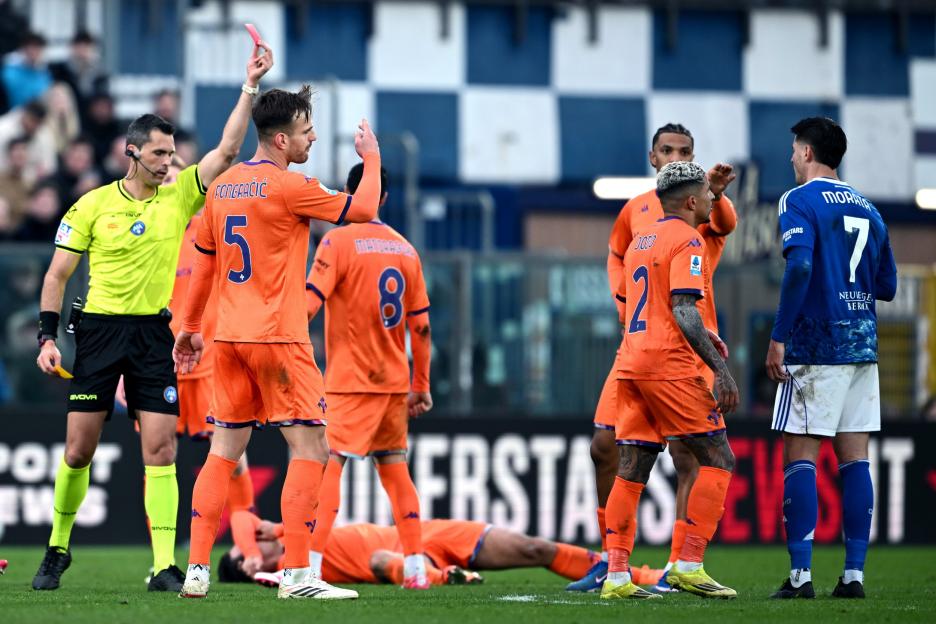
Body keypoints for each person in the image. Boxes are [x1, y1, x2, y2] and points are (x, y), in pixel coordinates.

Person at [31, 42, 274, 593]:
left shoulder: (180, 197)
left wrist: (250, 86)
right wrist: (49, 339)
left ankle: (165, 565)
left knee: (161, 450)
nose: (170, 162)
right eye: (160, 154)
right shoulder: (90, 205)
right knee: (78, 450)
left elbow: (228, 150)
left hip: (150, 335)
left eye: (172, 152)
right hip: (96, 332)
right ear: (132, 153)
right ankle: (57, 549)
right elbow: (55, 278)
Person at [172, 83, 383, 600]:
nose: (312, 140)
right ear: (282, 140)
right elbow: (365, 207)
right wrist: (371, 159)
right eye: (306, 132)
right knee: (312, 446)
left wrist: (191, 328)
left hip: (228, 339)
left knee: (224, 450)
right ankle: (297, 576)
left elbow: (203, 263)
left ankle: (197, 570)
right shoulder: (291, 187)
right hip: (280, 340)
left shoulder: (221, 187)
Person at [569, 124, 737, 594]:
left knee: (633, 465)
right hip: (670, 360)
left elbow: (663, 294)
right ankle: (688, 564)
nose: (708, 205)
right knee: (717, 457)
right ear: (689, 202)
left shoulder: (643, 239)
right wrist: (721, 369)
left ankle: (618, 573)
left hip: (632, 359)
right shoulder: (688, 241)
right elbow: (684, 308)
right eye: (705, 198)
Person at [766, 117, 897, 600]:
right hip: (863, 347)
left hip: (816, 345)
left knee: (800, 456)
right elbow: (887, 286)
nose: (791, 157)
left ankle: (801, 578)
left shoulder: (798, 200)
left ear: (805, 152)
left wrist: (779, 337)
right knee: (854, 459)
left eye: (793, 149)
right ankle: (854, 576)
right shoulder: (869, 208)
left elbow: (799, 265)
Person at [304, 163, 433, 589]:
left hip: (349, 381)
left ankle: (313, 566)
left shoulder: (336, 241)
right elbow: (422, 327)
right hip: (395, 380)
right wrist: (421, 386)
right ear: (385, 199)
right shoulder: (406, 249)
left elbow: (310, 304)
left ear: (348, 192)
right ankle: (415, 567)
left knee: (329, 466)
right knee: (396, 470)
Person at [218, 511, 658, 589]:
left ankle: (641, 576)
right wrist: (249, 565)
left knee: (533, 547)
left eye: (244, 549)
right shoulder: (286, 574)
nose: (250, 551)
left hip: (425, 533)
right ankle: (443, 578)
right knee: (379, 562)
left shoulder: (283, 532)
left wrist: (251, 539)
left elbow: (242, 516)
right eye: (243, 557)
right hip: (405, 560)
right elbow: (259, 574)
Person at [1, 31, 51, 110]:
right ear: (23, 49)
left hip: (38, 117)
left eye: (37, 48)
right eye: (30, 47)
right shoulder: (8, 72)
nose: (33, 52)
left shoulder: (45, 74)